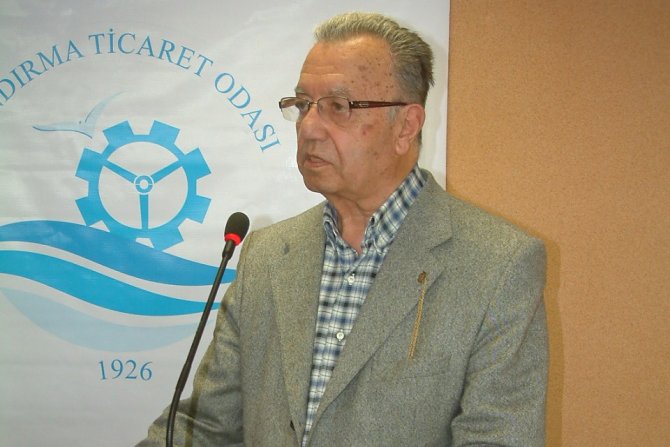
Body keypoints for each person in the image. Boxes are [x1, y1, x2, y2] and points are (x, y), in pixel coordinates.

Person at [138, 11, 548, 446]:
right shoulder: (266, 255)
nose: (309, 127)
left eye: (339, 106)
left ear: (406, 126)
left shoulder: (498, 265)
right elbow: (205, 426)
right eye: (302, 105)